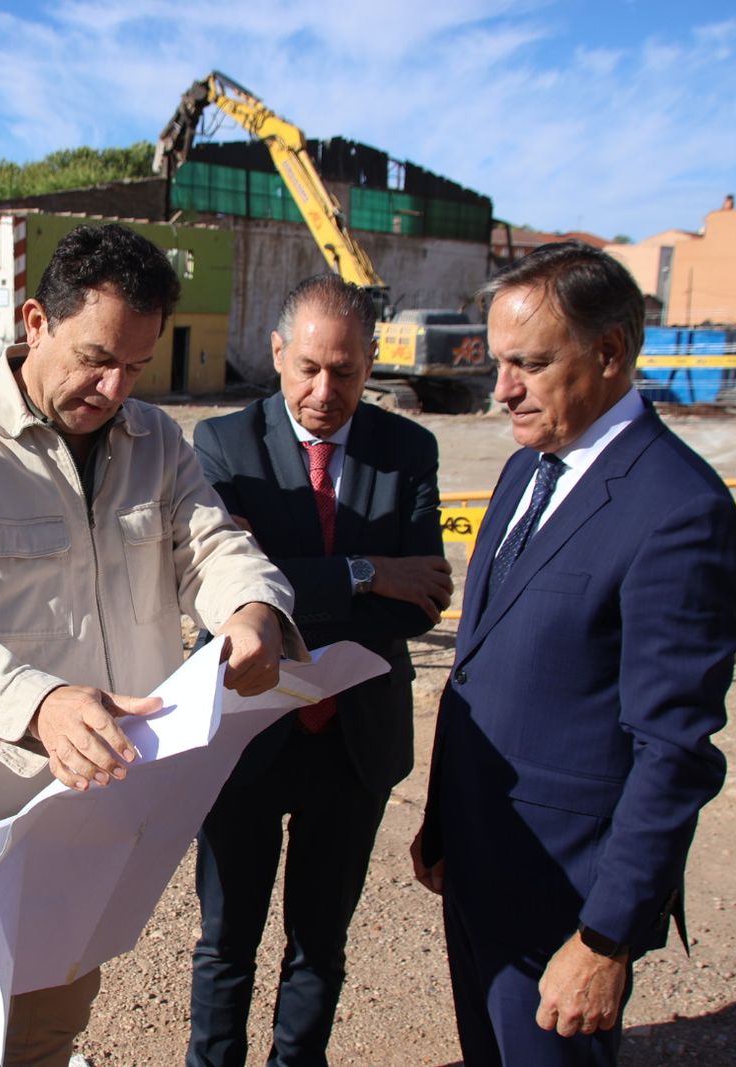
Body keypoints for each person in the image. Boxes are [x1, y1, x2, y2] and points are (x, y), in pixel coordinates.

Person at [0, 222, 305, 1067]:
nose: (113, 387)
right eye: (95, 357)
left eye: (137, 366)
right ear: (35, 321)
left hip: (100, 813)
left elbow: (212, 546)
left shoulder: (158, 443)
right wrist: (38, 701)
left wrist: (254, 608)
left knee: (48, 1034)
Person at [411, 241, 736, 1066]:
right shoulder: (528, 468)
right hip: (483, 860)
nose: (502, 390)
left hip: (565, 896)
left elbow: (671, 752)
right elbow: (485, 661)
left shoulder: (679, 513)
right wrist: (444, 821)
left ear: (610, 353)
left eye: (529, 363)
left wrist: (606, 937)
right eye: (498, 363)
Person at [186, 274, 452, 1066]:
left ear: (372, 361)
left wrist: (283, 579)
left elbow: (423, 600)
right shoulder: (221, 446)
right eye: (307, 367)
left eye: (345, 370)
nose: (325, 390)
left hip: (353, 744)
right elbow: (219, 588)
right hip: (246, 733)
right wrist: (367, 572)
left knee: (320, 941)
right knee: (225, 942)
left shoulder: (407, 450)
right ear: (276, 354)